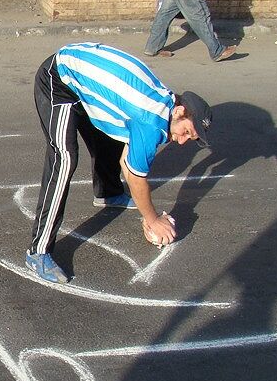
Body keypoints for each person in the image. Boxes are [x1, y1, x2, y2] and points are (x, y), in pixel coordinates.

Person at [27, 42, 213, 283]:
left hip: (84, 75)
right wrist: (153, 219)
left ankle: (107, 192)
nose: (181, 141)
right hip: (60, 80)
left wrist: (147, 212)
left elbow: (128, 160)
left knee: (112, 134)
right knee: (64, 159)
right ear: (179, 112)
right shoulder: (151, 121)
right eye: (187, 132)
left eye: (191, 138)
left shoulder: (165, 103)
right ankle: (38, 251)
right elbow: (136, 176)